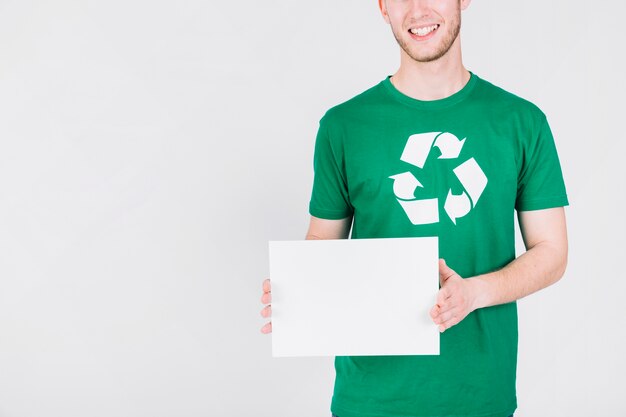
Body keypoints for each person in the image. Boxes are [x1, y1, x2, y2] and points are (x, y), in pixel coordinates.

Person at [260, 0, 569, 416]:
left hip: (480, 396)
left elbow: (552, 252)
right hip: (370, 399)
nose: (418, 9)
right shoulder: (343, 126)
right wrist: (298, 291)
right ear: (383, 6)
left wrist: (473, 294)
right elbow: (322, 240)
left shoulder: (520, 121)